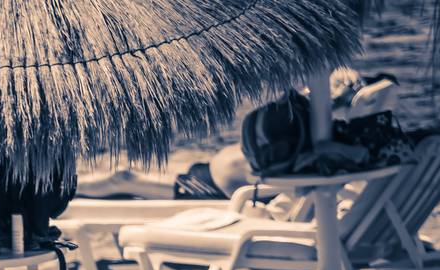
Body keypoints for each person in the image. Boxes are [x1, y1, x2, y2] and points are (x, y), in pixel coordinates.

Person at [76, 69, 400, 202]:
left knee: (123, 178)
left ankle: (69, 189)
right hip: (209, 179)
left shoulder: (317, 128)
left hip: (213, 185)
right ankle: (69, 188)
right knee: (123, 179)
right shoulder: (313, 122)